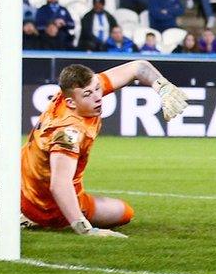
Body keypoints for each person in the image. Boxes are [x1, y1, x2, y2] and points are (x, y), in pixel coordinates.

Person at [20, 61, 188, 236]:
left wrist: (163, 88)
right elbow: (59, 185)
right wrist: (85, 229)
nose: (98, 96)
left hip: (24, 188)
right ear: (70, 103)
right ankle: (39, 216)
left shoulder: (76, 94)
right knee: (124, 212)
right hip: (48, 206)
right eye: (88, 94)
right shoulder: (68, 131)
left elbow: (138, 67)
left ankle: (25, 212)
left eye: (97, 88)